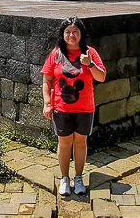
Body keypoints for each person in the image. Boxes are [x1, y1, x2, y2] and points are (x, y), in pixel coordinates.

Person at [41, 17, 106, 196]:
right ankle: (64, 178)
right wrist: (48, 103)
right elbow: (47, 80)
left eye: (75, 31)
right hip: (61, 108)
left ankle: (78, 177)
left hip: (85, 107)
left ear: (81, 34)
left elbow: (101, 77)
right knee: (64, 143)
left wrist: (89, 64)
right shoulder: (56, 54)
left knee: (80, 142)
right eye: (68, 32)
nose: (72, 35)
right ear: (62, 35)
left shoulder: (90, 52)